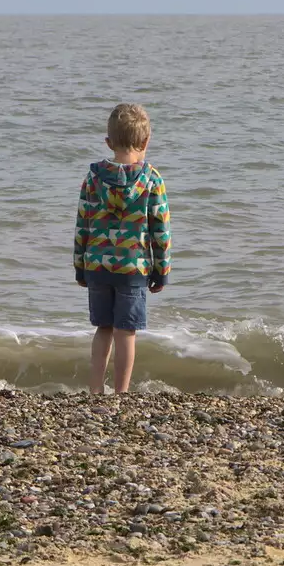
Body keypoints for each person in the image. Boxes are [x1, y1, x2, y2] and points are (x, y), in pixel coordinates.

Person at [73, 103, 171, 394]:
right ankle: (122, 392)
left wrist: (80, 265)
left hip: (97, 266)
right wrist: (161, 270)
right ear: (145, 142)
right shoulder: (152, 180)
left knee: (103, 328)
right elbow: (160, 231)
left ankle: (94, 388)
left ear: (108, 142)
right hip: (132, 268)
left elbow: (83, 223)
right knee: (125, 332)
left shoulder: (93, 178)